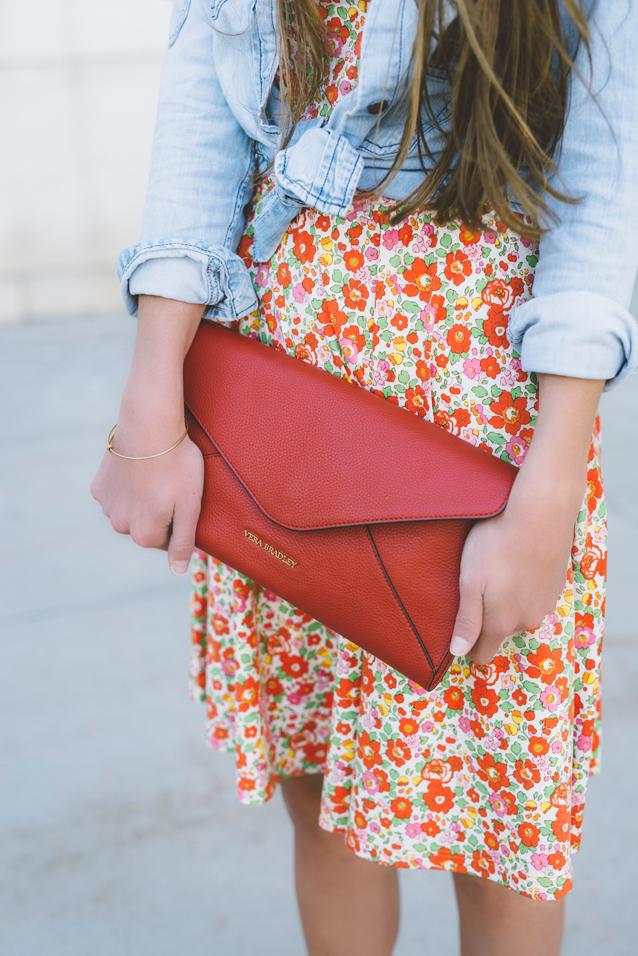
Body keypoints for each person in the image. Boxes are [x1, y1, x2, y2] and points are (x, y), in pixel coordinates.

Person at [91, 1, 638, 953]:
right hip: (276, 401)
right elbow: (203, 103)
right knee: (323, 807)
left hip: (480, 430)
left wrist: (549, 487)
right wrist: (152, 388)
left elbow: (604, 180)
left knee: (502, 839)